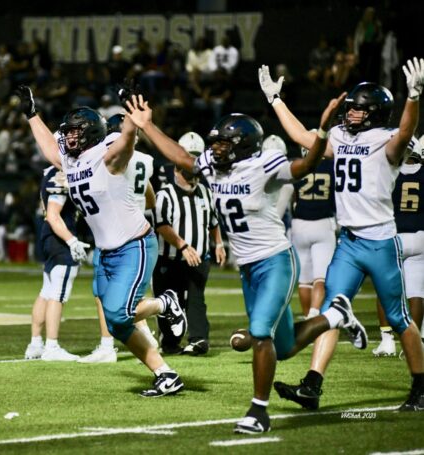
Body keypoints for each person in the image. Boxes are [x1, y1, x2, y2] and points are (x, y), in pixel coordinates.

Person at [125, 82, 365, 433]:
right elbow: (182, 158)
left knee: (259, 333)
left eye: (224, 143)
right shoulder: (213, 165)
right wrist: (147, 126)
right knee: (282, 347)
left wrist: (324, 130)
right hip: (249, 269)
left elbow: (308, 163)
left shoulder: (265, 164)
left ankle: (258, 412)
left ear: (243, 146)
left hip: (275, 262)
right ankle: (336, 315)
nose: (216, 148)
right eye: (216, 142)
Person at [258, 58, 424, 412]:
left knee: (399, 318)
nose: (350, 115)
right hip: (348, 242)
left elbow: (407, 132)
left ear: (376, 113)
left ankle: (421, 387)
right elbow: (303, 136)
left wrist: (413, 97)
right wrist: (276, 101)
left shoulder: (388, 141)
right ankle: (312, 385)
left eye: (359, 111)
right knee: (334, 311)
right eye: (350, 109)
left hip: (380, 241)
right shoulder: (339, 137)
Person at [15, 85, 188, 398]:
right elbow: (50, 150)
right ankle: (166, 374)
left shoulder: (105, 154)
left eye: (75, 132)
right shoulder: (72, 159)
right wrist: (31, 114)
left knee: (119, 313)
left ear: (92, 132)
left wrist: (133, 126)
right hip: (106, 253)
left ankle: (166, 303)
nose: (68, 138)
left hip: (134, 246)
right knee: (117, 322)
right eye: (67, 132)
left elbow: (123, 147)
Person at [78, 113, 158, 364]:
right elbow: (151, 200)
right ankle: (145, 335)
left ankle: (109, 345)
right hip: (134, 224)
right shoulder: (144, 158)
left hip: (117, 232)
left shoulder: (108, 156)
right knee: (124, 296)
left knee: (109, 297)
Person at [153, 131, 226, 356]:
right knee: (169, 302)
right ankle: (170, 342)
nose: (193, 176)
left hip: (199, 258)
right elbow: (162, 225)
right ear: (176, 167)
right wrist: (183, 246)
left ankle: (198, 340)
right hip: (171, 258)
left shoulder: (205, 191)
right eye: (187, 171)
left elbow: (214, 221)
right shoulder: (164, 194)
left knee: (196, 300)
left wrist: (219, 244)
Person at [24, 166, 86, 361]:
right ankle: (52, 346)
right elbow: (53, 214)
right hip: (59, 237)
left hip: (50, 236)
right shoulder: (61, 172)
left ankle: (35, 344)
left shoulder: (50, 172)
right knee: (58, 294)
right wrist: (71, 240)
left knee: (47, 291)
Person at [373, 136, 424, 356]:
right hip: (420, 236)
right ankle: (413, 342)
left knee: (385, 291)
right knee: (416, 292)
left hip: (393, 235)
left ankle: (387, 341)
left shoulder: (387, 172)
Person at [288, 132, 336, 319]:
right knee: (321, 277)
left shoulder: (298, 166)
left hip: (299, 224)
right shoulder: (331, 166)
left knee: (304, 279)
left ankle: (308, 315)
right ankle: (315, 314)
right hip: (323, 224)